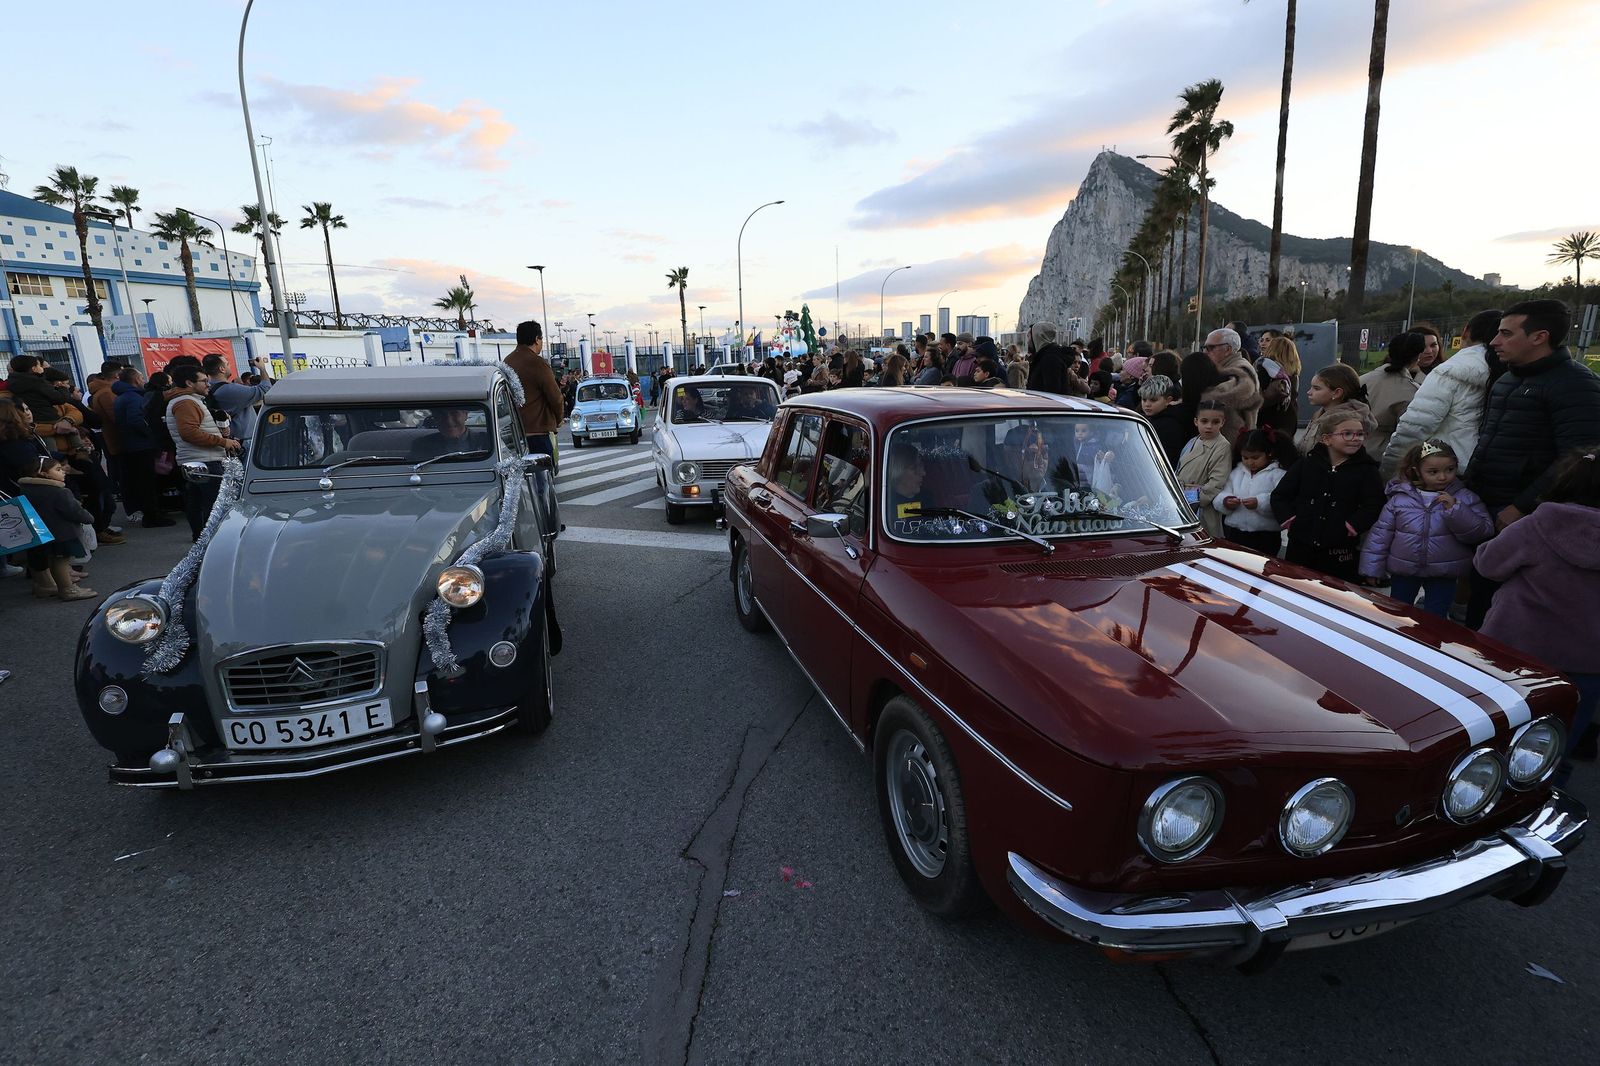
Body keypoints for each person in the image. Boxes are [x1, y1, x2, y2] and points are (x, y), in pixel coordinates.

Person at [1475, 446, 1600, 785]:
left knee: (1498, 732)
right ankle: (1546, 797)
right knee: (1559, 739)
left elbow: (1488, 565)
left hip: (1514, 647)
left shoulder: (1539, 523)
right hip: (1588, 660)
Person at [1357, 438, 1493, 615]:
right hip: (1404, 572)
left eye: (1450, 470)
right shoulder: (1400, 498)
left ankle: (1431, 642)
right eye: (1433, 471)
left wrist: (1456, 510)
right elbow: (1381, 534)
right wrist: (1372, 568)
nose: (1443, 476)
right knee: (1395, 613)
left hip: (1444, 574)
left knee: (1435, 618)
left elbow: (1482, 531)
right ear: (1417, 471)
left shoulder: (1464, 498)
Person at [1382, 308, 1503, 478]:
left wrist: (1390, 471)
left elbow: (1414, 427)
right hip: (1487, 468)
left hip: (1442, 470)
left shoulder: (1449, 372)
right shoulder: (1509, 369)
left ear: (1466, 331)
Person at [1271, 403, 1384, 582]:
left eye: (1360, 434)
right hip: (1301, 544)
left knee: (1336, 593)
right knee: (1297, 588)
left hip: (1340, 548)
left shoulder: (1367, 470)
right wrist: (1291, 520)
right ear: (1326, 439)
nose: (1355, 438)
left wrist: (1352, 526)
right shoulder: (1306, 464)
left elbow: (1374, 504)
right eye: (1347, 433)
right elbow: (1280, 496)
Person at [164, 365, 241, 540]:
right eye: (204, 381)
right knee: (212, 504)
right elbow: (189, 433)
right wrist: (223, 442)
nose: (208, 384)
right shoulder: (185, 402)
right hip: (203, 461)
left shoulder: (189, 400)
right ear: (189, 382)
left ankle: (203, 538)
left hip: (198, 459)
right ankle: (210, 539)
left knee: (198, 503)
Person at [17, 457, 97, 601]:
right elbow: (74, 512)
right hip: (62, 533)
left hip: (40, 532)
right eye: (58, 469)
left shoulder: (26, 489)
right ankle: (68, 589)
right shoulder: (59, 492)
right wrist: (89, 518)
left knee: (42, 559)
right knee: (61, 561)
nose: (63, 472)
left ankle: (43, 585)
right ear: (43, 473)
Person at [1215, 427, 1295, 557]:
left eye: (1255, 457)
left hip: (1265, 535)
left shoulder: (1278, 475)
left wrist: (1260, 502)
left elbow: (1281, 500)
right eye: (1245, 458)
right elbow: (1223, 493)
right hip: (1236, 533)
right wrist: (1226, 501)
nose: (1250, 462)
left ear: (1269, 453)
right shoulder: (1236, 473)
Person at [503, 320, 565, 467]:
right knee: (543, 480)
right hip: (537, 433)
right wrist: (559, 419)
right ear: (537, 339)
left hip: (515, 433)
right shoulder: (538, 363)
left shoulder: (507, 361)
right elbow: (555, 397)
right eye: (541, 339)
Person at [1360, 332, 1424, 463]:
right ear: (1417, 357)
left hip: (1350, 445)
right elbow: (1407, 432)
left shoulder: (1363, 379)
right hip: (1380, 452)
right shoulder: (1411, 391)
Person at [1176, 402, 1233, 537]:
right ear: (1196, 421)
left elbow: (1217, 482)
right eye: (1204, 421)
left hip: (1200, 507)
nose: (1209, 426)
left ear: (1222, 422)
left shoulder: (1222, 446)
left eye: (1215, 422)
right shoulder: (1192, 441)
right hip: (1181, 501)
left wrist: (1192, 500)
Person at [1199, 327, 1262, 440]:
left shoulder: (1239, 369)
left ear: (1228, 349)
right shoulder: (1229, 367)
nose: (1205, 352)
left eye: (1210, 348)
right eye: (1204, 348)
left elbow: (1220, 397)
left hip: (1234, 441)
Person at [1295, 363, 1372, 455]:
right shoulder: (1321, 415)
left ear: (1336, 393)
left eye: (1316, 388)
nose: (1309, 392)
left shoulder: (1343, 423)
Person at [205, 353, 274, 451]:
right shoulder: (229, 390)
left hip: (227, 439)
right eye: (227, 364)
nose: (230, 366)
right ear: (222, 369)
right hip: (242, 442)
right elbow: (265, 389)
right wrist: (262, 368)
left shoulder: (207, 388)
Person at [1139, 375, 1188, 467]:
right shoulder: (1149, 418)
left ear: (1168, 400)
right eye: (1144, 400)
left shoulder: (1170, 425)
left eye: (1153, 400)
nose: (1147, 404)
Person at [1024, 323, 1084, 396]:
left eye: (1029, 337)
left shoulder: (1050, 359)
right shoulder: (1044, 356)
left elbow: (1052, 393)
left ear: (1037, 337)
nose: (1027, 341)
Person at [887, 441, 927, 525]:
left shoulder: (927, 498)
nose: (923, 473)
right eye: (913, 468)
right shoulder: (884, 504)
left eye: (921, 467)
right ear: (897, 472)